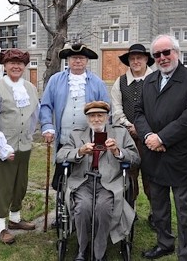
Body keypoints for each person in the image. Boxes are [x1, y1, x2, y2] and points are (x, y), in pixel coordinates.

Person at [135, 34, 187, 261]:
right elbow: (138, 113)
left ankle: (185, 252)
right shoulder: (149, 80)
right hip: (153, 155)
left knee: (184, 209)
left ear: (176, 52)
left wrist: (162, 138)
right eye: (157, 55)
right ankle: (164, 242)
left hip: (180, 156)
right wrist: (148, 136)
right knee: (159, 205)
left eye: (166, 52)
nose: (162, 58)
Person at [56, 101, 140, 261]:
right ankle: (82, 248)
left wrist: (118, 151)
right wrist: (79, 152)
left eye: (100, 115)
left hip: (110, 182)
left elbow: (135, 158)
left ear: (107, 117)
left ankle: (99, 252)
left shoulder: (120, 133)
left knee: (104, 209)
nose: (96, 119)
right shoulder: (77, 134)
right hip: (83, 181)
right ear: (87, 118)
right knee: (82, 208)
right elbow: (61, 156)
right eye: (92, 116)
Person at [0, 48, 39, 245]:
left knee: (19, 185)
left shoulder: (30, 88)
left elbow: (33, 116)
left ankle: (15, 220)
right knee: (2, 187)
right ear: (4, 66)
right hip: (3, 148)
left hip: (24, 146)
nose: (16, 66)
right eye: (11, 63)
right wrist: (2, 147)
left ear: (24, 66)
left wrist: (28, 137)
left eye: (20, 63)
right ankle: (1, 226)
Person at [39, 43, 110, 193]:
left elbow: (106, 110)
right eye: (74, 58)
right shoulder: (55, 80)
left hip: (88, 142)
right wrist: (47, 126)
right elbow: (45, 106)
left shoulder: (98, 83)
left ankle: (80, 211)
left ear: (87, 61)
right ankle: (64, 211)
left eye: (81, 58)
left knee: (85, 181)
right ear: (68, 60)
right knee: (61, 181)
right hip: (64, 140)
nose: (77, 61)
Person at [111, 43, 154, 226]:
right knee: (129, 175)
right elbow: (116, 110)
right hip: (127, 136)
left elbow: (161, 110)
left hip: (152, 137)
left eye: (140, 58)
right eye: (132, 58)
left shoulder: (157, 79)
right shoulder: (120, 82)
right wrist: (130, 126)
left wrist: (144, 130)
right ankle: (131, 211)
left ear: (146, 59)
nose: (136, 61)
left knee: (152, 177)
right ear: (128, 61)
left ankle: (155, 213)